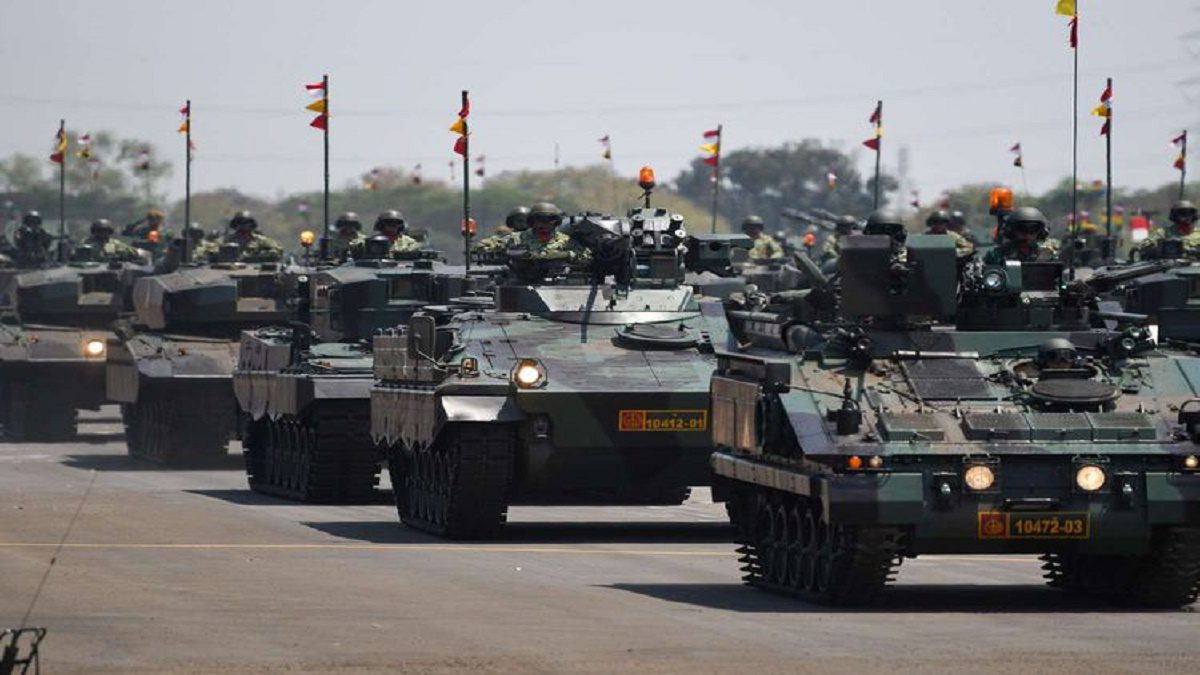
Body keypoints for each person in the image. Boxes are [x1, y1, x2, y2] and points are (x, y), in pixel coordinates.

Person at [511, 202, 589, 263]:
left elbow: (586, 257)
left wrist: (565, 254)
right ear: (532, 221)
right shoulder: (516, 239)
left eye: (550, 220)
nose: (545, 224)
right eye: (540, 220)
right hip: (521, 277)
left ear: (556, 223)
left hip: (557, 277)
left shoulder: (566, 241)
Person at [194, 211, 284, 262]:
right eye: (240, 223)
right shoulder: (226, 240)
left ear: (251, 225)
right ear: (235, 225)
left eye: (246, 223)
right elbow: (207, 250)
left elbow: (278, 250)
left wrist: (259, 255)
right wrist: (219, 254)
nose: (243, 226)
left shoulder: (260, 240)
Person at [983, 206, 1060, 264]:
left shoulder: (1047, 254)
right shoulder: (997, 255)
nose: (1027, 234)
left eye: (1032, 230)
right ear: (1011, 231)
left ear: (1041, 232)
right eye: (1022, 229)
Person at [1135, 200, 1200, 260]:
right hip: (1169, 265)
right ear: (1175, 215)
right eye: (1182, 213)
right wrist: (1157, 250)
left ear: (1194, 215)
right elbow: (1142, 248)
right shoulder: (1163, 233)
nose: (1186, 217)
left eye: (1189, 213)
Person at [348, 210, 422, 259]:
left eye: (396, 223)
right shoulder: (372, 241)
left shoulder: (409, 242)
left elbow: (415, 250)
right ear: (381, 225)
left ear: (400, 225)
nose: (392, 225)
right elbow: (356, 246)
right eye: (388, 222)